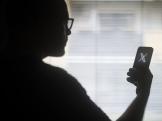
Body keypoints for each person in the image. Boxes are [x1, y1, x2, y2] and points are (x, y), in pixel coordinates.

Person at [1, 0, 153, 121]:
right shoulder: (55, 84)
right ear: (43, 24)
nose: (69, 31)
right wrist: (143, 93)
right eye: (64, 22)